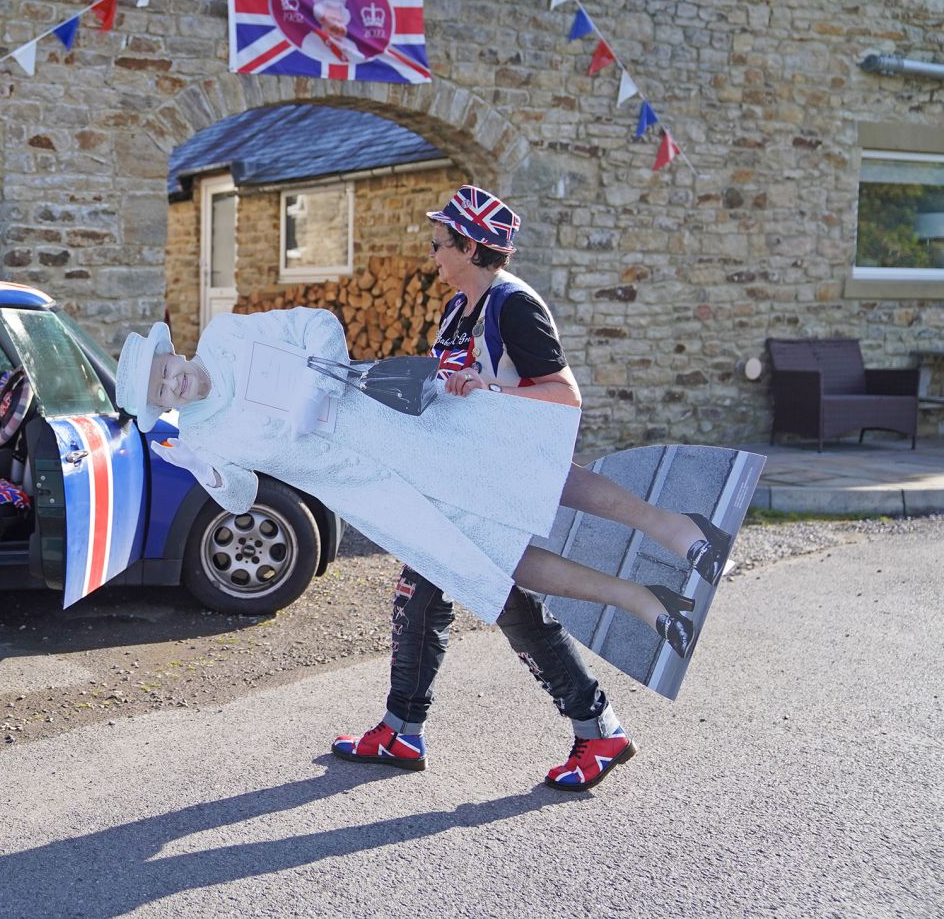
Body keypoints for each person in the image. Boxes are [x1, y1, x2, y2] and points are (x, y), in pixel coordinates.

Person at [115, 300, 724, 781]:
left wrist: (316, 393)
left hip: (404, 426)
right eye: (163, 392)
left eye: (168, 371)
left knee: (525, 478)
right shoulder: (203, 432)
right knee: (482, 567)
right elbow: (241, 497)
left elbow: (320, 326)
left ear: (174, 352)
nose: (176, 385)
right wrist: (199, 462)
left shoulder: (228, 335)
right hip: (373, 493)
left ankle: (671, 539)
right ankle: (607, 671)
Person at [330, 184, 737, 791]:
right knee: (442, 588)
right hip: (468, 479)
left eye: (441, 243)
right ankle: (410, 727)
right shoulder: (458, 308)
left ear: (470, 245)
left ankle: (589, 724)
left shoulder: (513, 306)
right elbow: (451, 387)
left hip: (505, 479)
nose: (433, 253)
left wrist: (486, 390)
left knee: (495, 595)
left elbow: (562, 396)